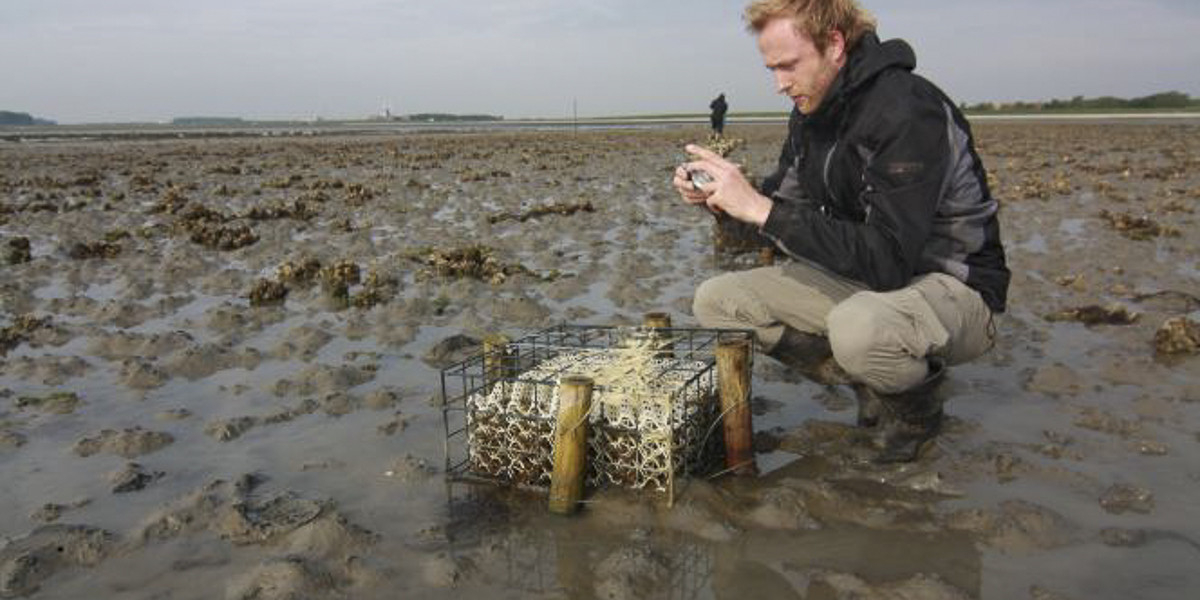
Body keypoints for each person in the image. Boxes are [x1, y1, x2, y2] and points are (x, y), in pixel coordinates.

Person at [673, 0, 1009, 463]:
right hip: (867, 280)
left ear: (834, 44)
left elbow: (888, 261)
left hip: (954, 287)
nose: (779, 84)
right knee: (718, 300)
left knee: (861, 328)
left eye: (789, 65)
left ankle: (916, 416)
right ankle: (872, 386)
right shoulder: (812, 115)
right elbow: (782, 211)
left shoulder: (905, 109)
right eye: (771, 69)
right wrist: (725, 204)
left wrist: (761, 208)